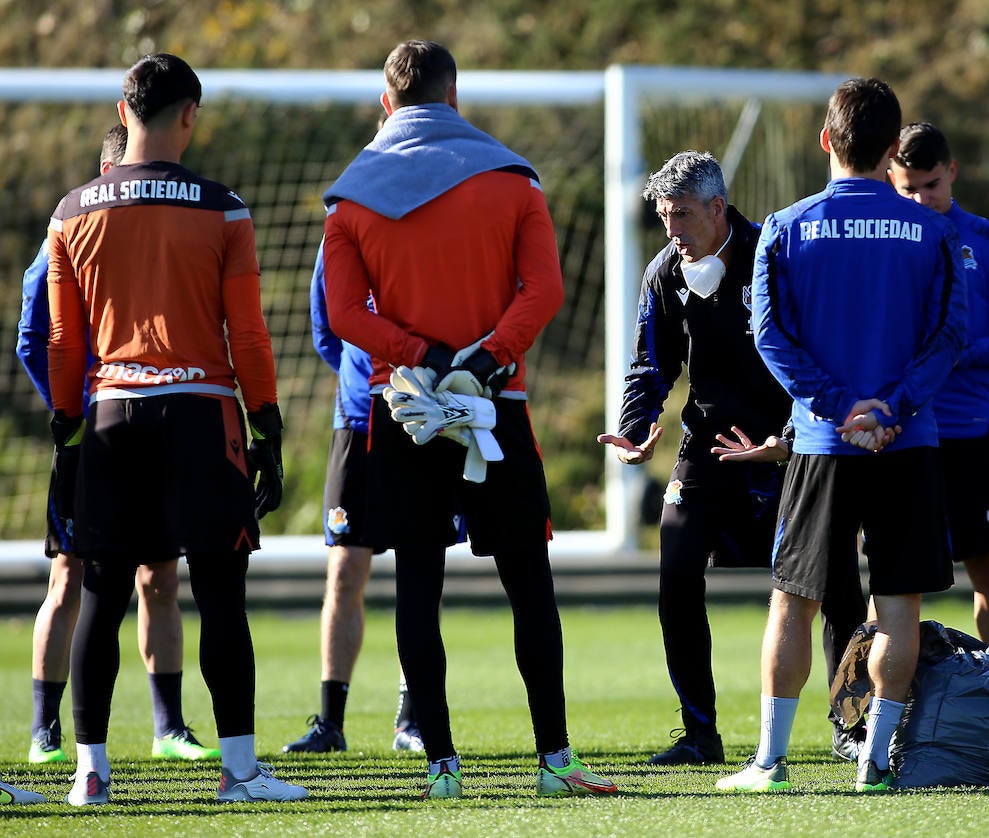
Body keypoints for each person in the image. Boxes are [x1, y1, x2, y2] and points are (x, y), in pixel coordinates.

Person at [322, 39, 615, 799]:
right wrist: (485, 360)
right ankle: (554, 761)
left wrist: (417, 351)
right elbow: (543, 290)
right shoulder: (514, 181)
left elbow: (345, 314)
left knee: (417, 583)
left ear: (387, 104)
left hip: (407, 415)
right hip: (494, 408)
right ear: (456, 97)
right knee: (529, 584)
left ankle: (442, 768)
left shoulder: (351, 198)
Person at [46, 53, 306, 804]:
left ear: (122, 112)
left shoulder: (72, 211)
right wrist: (267, 428)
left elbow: (66, 344)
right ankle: (241, 773)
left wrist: (68, 432)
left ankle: (90, 774)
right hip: (201, 414)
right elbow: (248, 336)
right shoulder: (224, 208)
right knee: (221, 593)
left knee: (103, 594)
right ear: (189, 114)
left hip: (111, 414)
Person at [715, 77, 967, 794]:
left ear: (825, 140)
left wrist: (835, 408)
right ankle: (876, 761)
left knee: (793, 601)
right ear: (894, 151)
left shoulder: (786, 227)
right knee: (898, 606)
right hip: (907, 441)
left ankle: (769, 762)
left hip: (825, 446)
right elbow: (950, 336)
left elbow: (769, 335)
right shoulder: (936, 231)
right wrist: (889, 409)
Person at [597, 151, 867, 766]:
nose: (673, 231)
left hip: (792, 441)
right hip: (711, 442)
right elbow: (651, 363)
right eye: (665, 217)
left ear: (718, 209)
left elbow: (815, 350)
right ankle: (700, 734)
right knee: (676, 570)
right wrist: (637, 426)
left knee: (836, 582)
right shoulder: (665, 271)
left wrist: (793, 439)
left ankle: (850, 728)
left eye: (683, 216)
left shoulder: (776, 252)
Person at [17, 124, 218, 765]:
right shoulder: (68, 238)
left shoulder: (161, 238)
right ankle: (47, 730)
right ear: (108, 172)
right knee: (72, 575)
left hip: (151, 431)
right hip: (90, 435)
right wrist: (69, 412)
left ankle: (169, 727)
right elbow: (35, 341)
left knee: (159, 576)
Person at [887, 122, 989, 644]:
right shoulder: (882, 242)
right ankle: (873, 714)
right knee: (892, 581)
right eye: (907, 187)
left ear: (951, 172)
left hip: (971, 432)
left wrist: (954, 355)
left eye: (931, 185)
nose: (921, 198)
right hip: (899, 433)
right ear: (889, 177)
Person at [281, 240, 422, 755]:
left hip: (420, 417)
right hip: (357, 418)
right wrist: (358, 376)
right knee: (344, 571)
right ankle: (330, 724)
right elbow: (327, 326)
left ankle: (415, 716)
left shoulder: (434, 224)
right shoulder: (339, 232)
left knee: (418, 565)